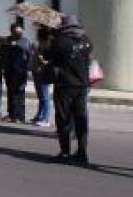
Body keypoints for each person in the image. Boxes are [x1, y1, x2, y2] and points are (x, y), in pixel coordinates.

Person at [48, 14, 92, 165]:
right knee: (81, 119)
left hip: (65, 85)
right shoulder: (86, 40)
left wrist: (51, 37)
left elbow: (50, 56)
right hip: (82, 85)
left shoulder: (61, 41)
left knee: (63, 118)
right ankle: (82, 152)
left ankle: (65, 152)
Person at [3, 23, 33, 123]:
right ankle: (11, 114)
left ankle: (20, 115)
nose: (18, 33)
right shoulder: (8, 40)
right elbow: (4, 53)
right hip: (9, 70)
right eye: (15, 31)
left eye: (20, 31)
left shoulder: (25, 42)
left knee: (19, 93)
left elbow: (29, 55)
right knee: (10, 93)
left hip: (20, 71)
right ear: (11, 31)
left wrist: (28, 69)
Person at [30, 25, 54, 127]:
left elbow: (51, 59)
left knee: (45, 96)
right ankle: (39, 115)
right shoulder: (39, 45)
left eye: (37, 34)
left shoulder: (48, 45)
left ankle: (46, 118)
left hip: (43, 72)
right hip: (37, 71)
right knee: (40, 96)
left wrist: (43, 60)